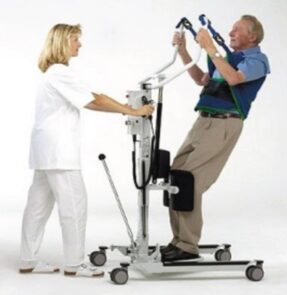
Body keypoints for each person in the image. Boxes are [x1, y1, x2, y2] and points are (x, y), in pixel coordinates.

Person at [19, 24, 154, 277]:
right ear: (61, 42)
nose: (79, 44)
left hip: (45, 151)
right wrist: (133, 111)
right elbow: (95, 99)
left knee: (36, 208)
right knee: (74, 207)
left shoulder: (51, 73)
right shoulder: (60, 72)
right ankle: (74, 264)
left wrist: (122, 107)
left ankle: (28, 260)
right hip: (59, 153)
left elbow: (91, 101)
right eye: (75, 40)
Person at [161, 15, 270, 261]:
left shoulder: (257, 61)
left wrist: (211, 47)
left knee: (191, 181)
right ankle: (178, 240)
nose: (230, 33)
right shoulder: (225, 59)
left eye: (237, 30)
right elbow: (201, 79)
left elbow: (233, 78)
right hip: (203, 120)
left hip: (224, 123)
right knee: (177, 174)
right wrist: (184, 51)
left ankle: (188, 246)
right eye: (230, 30)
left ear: (252, 36)